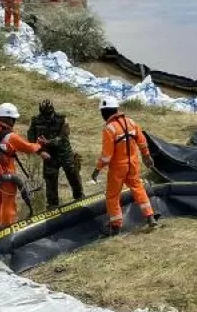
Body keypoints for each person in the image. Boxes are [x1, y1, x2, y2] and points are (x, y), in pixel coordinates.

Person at [91, 98, 158, 234]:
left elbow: (106, 156)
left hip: (118, 168)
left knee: (112, 195)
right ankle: (150, 217)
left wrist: (97, 169)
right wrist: (146, 156)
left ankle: (115, 226)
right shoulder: (131, 122)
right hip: (133, 164)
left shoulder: (109, 129)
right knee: (138, 189)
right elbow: (142, 141)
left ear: (105, 112)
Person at [27, 99, 84, 208]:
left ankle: (80, 198)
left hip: (64, 153)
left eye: (48, 113)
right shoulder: (36, 120)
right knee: (50, 181)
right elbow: (31, 137)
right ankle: (53, 206)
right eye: (43, 113)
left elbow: (63, 138)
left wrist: (47, 142)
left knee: (73, 176)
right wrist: (40, 151)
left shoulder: (62, 119)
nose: (46, 116)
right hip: (49, 156)